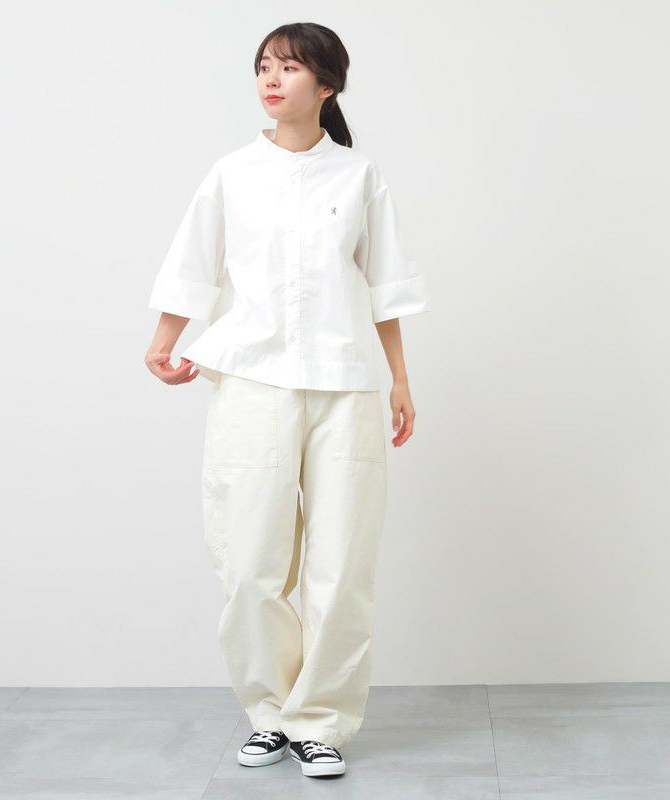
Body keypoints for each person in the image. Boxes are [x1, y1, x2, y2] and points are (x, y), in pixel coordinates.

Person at [144, 22, 431, 779]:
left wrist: (400, 379)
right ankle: (270, 712)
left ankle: (320, 722)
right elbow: (194, 263)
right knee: (249, 563)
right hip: (252, 381)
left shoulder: (359, 176)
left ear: (327, 85)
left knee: (342, 566)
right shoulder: (232, 174)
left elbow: (385, 284)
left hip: (344, 385)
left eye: (291, 67)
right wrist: (163, 340)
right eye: (264, 66)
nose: (272, 79)